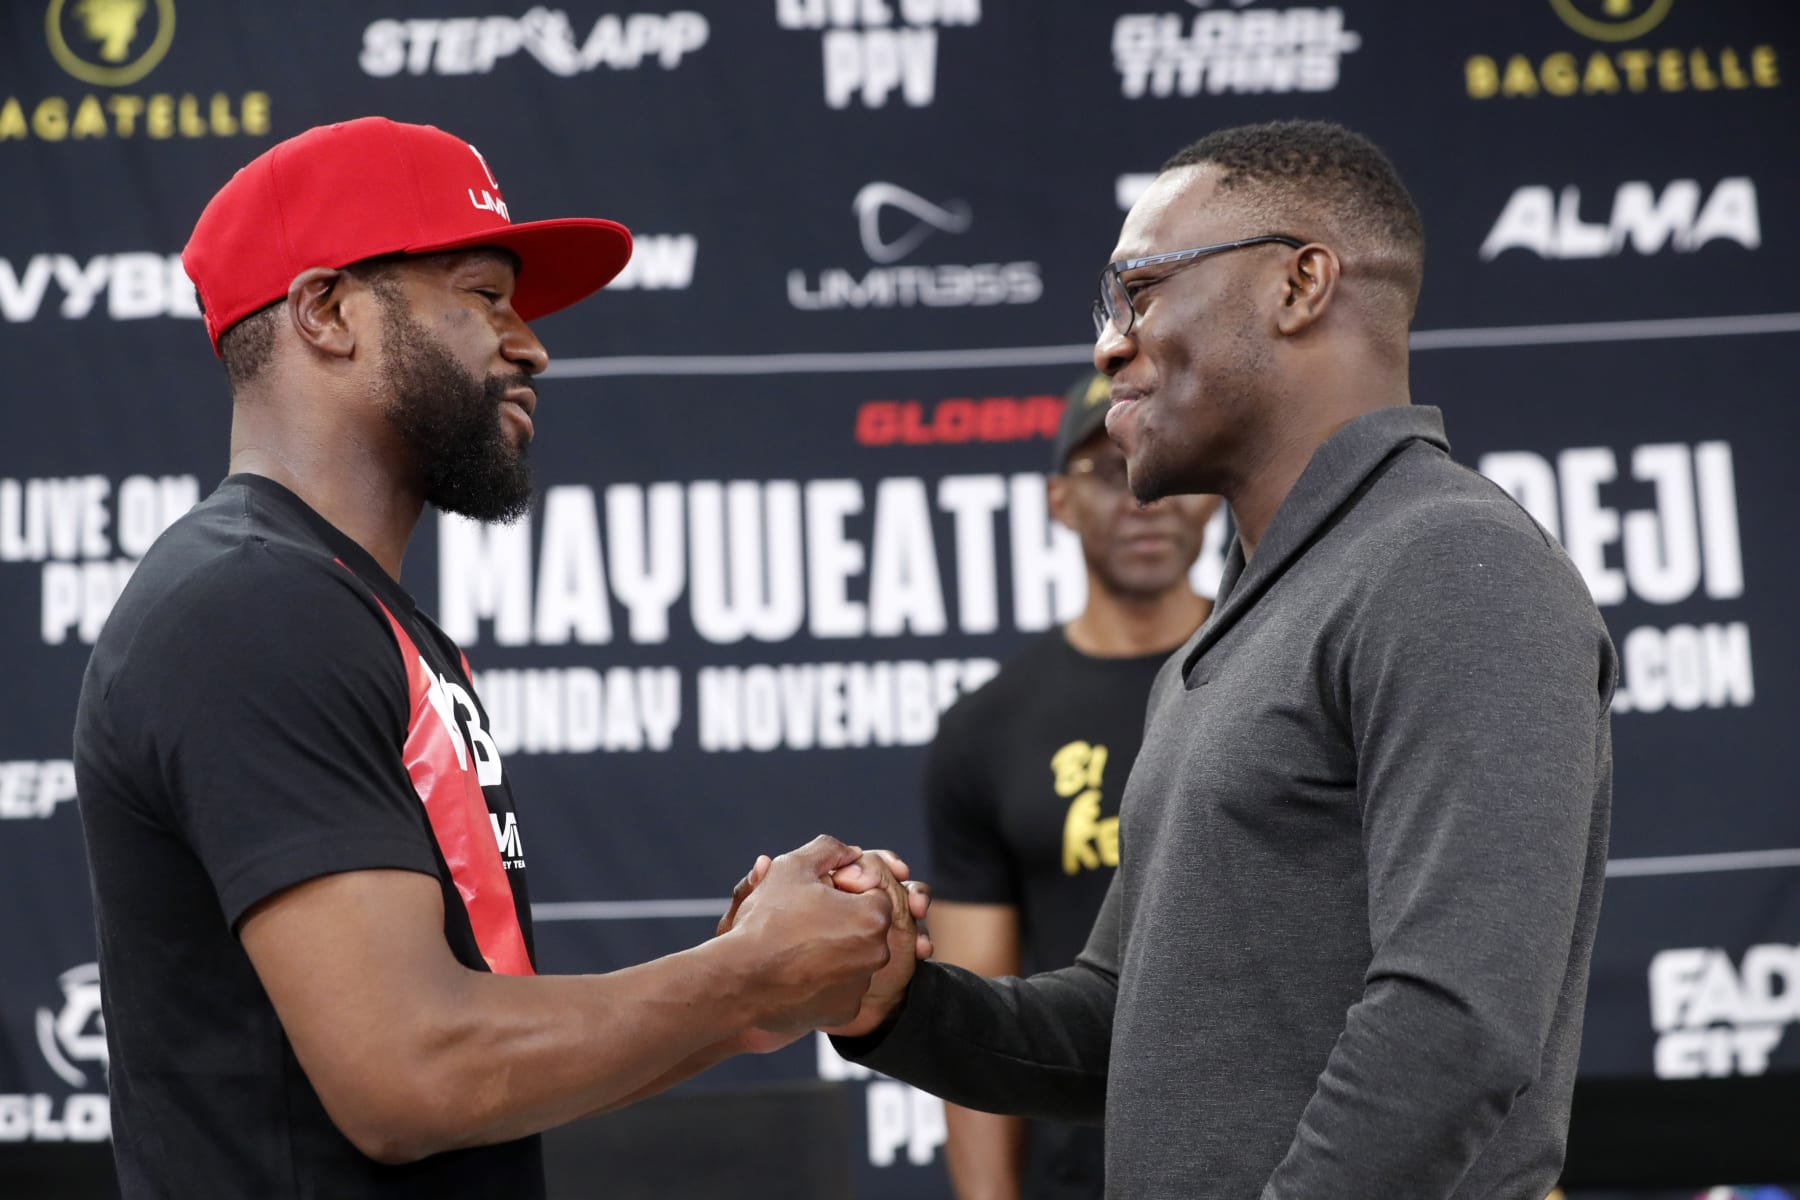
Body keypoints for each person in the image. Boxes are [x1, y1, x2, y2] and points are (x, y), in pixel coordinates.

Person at [71, 116, 924, 1198]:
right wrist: (741, 974)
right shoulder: (250, 608)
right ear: (327, 312)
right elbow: (412, 1077)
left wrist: (762, 997)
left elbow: (476, 1079)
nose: (529, 344)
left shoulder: (346, 608)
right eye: (483, 294)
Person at [823, 119, 1619, 1197]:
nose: (1109, 346)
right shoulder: (1238, 630)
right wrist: (899, 1004)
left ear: (1299, 286)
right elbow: (1122, 1018)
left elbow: (1455, 1025)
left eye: (1140, 292)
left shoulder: (1454, 563)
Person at [922, 369, 1219, 1200]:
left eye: (1165, 465)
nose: (1141, 498)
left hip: (1293, 1148)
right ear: (1060, 501)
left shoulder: (1289, 673)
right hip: (1083, 1168)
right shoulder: (987, 728)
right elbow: (975, 1015)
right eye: (1105, 469)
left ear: (1208, 490)